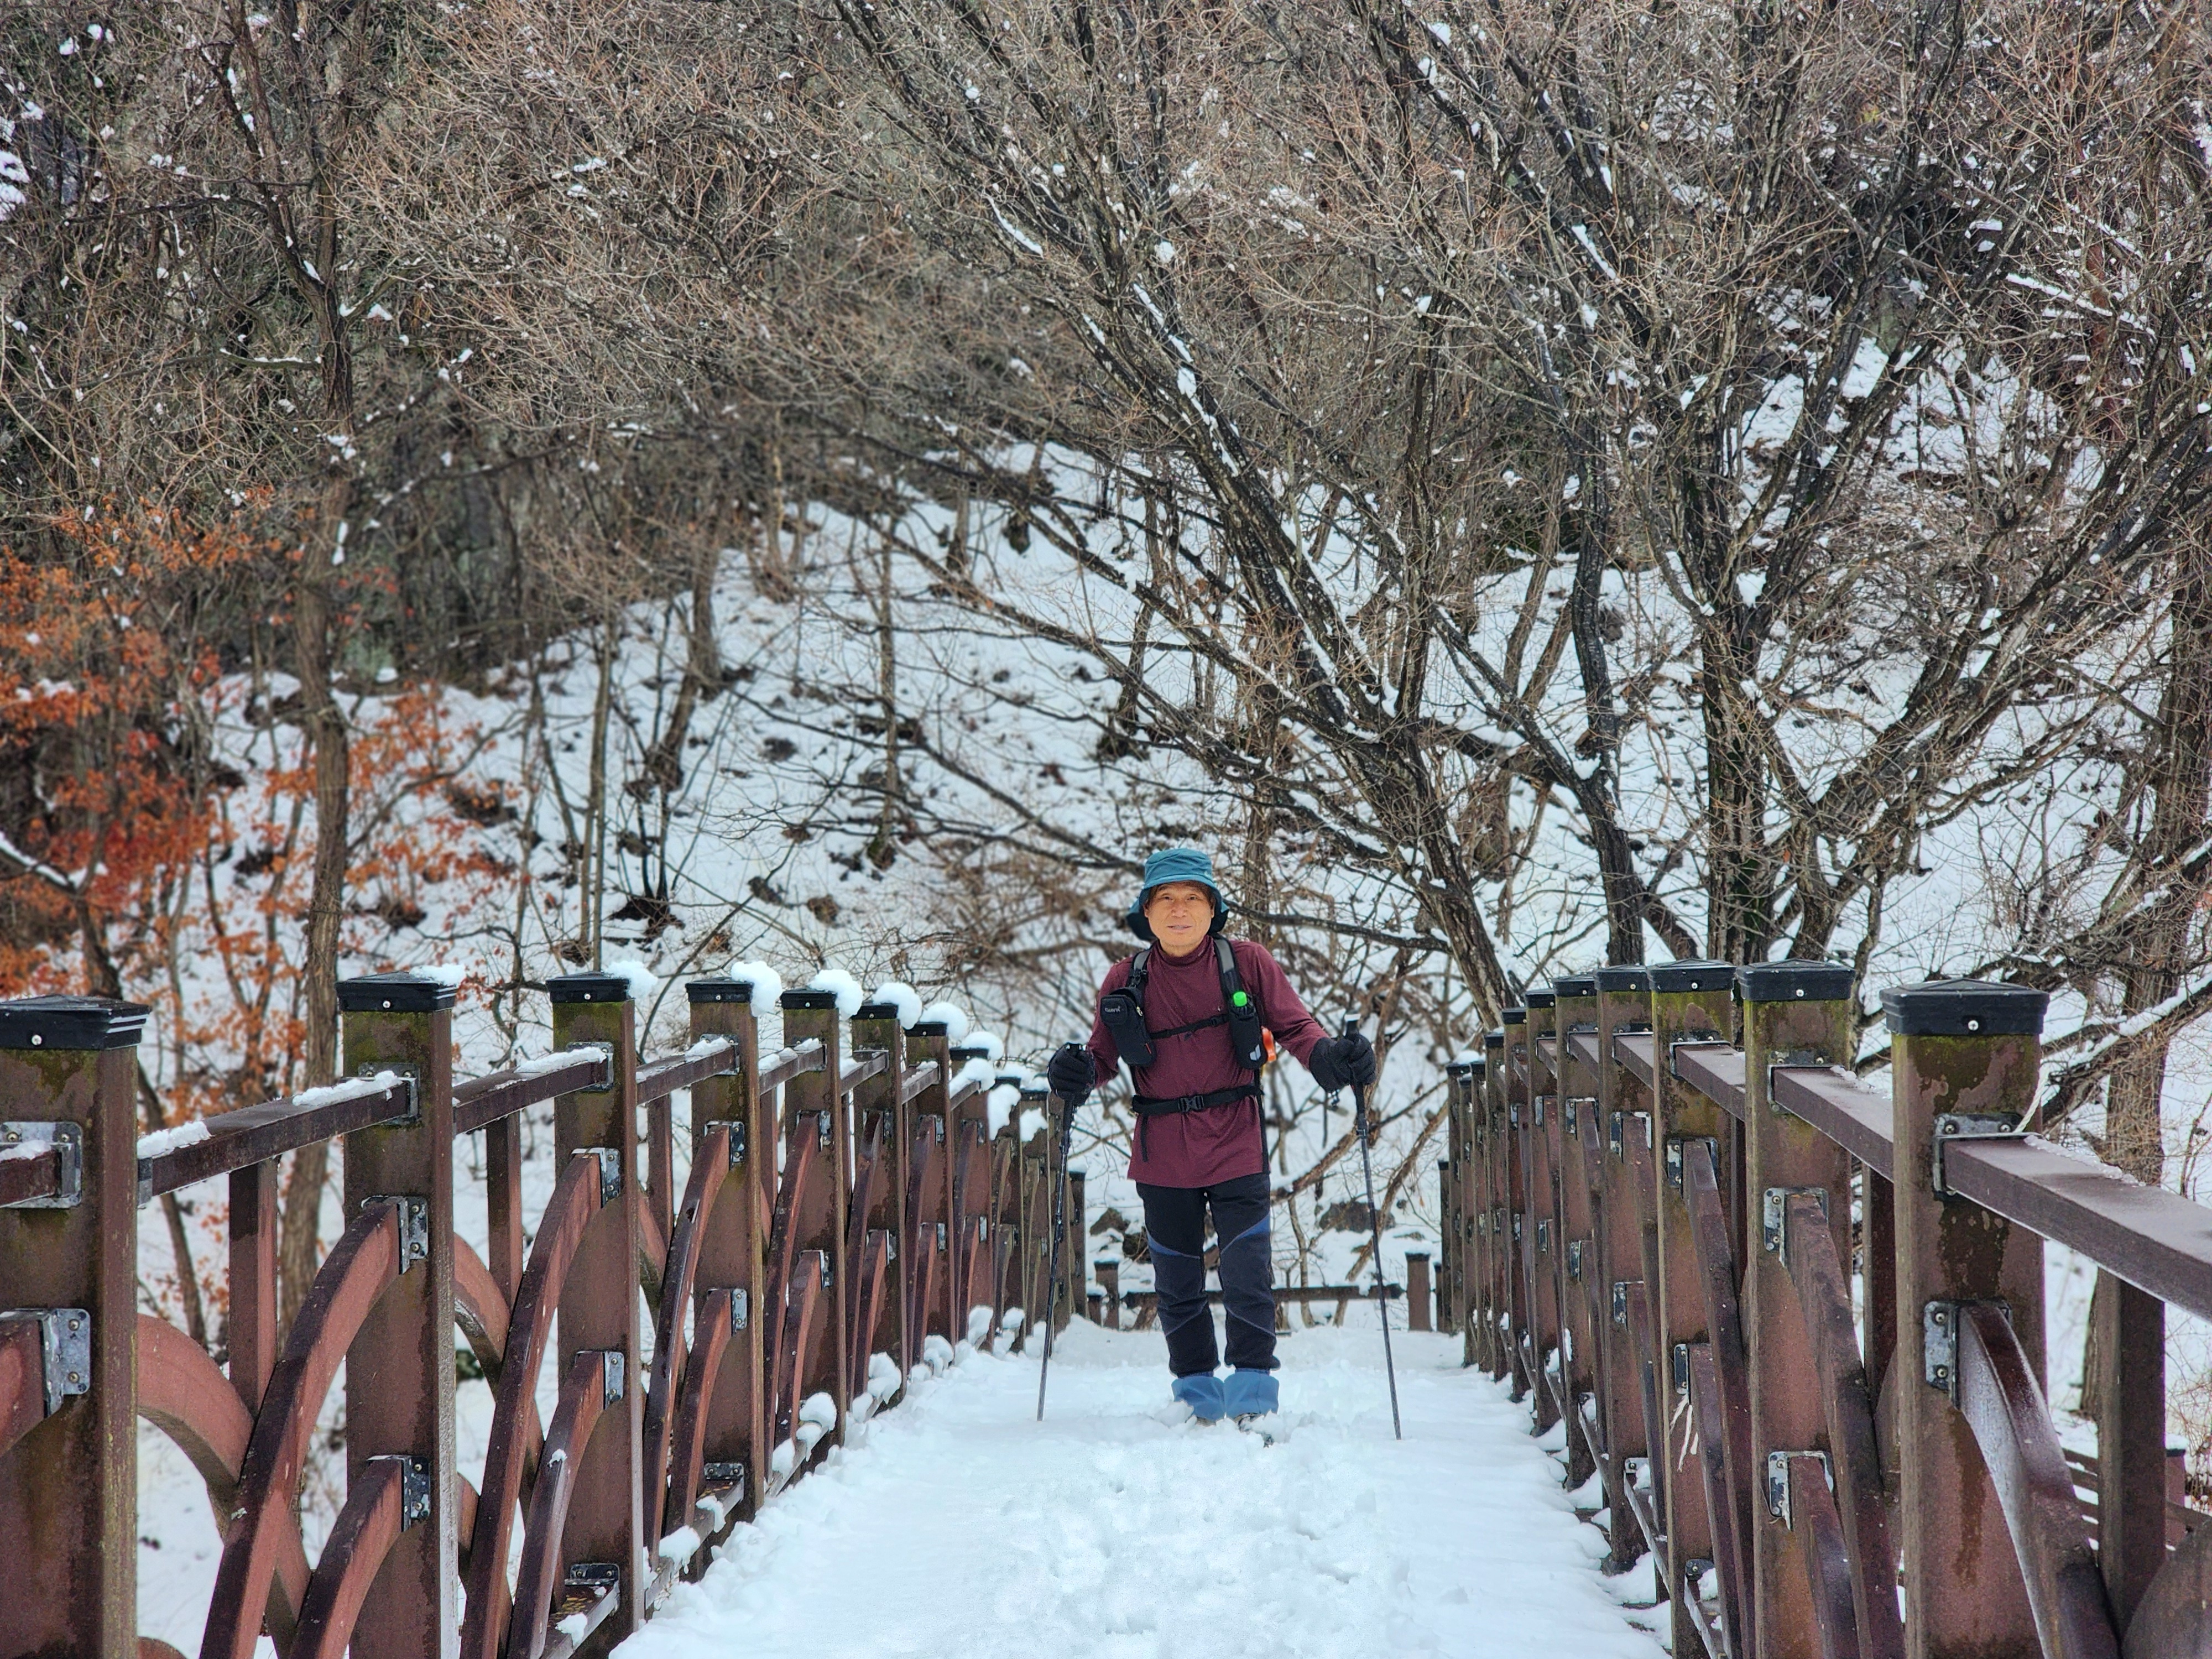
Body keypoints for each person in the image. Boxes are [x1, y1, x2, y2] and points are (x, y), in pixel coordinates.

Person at [1047, 848, 1376, 1427]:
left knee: (1248, 1275)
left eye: (1192, 898)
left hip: (1236, 1142)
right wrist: (1074, 1072)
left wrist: (1331, 1057)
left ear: (1213, 908)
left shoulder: (1247, 963)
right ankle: (1195, 1395)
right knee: (1177, 1282)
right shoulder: (1125, 979)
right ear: (1146, 913)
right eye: (1166, 899)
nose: (1179, 910)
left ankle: (1253, 1395)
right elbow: (1100, 1058)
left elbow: (1297, 1027)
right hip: (1161, 1152)